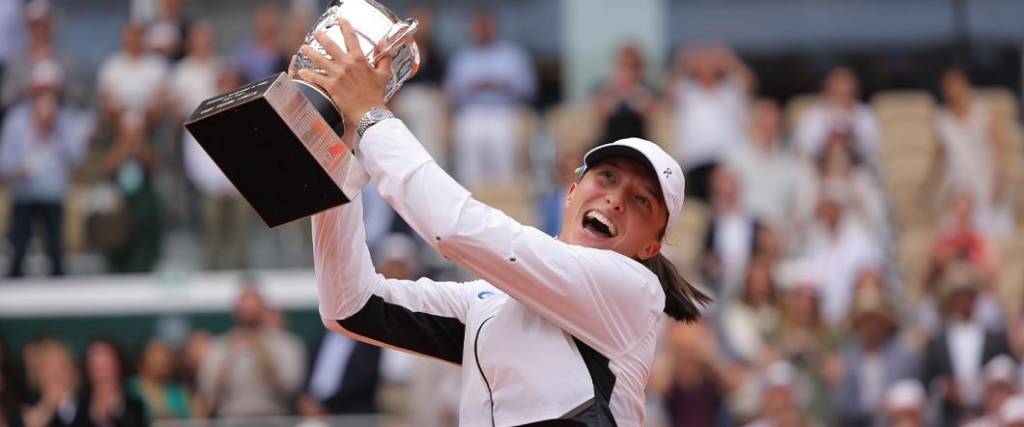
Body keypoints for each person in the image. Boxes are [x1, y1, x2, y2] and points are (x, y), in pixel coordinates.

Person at [297, 21, 708, 426]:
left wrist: (369, 113)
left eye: (641, 201)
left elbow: (453, 227)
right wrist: (336, 149)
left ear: (649, 248)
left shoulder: (632, 289)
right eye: (608, 177)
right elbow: (351, 306)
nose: (616, 200)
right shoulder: (488, 301)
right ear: (571, 192)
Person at [0, 62, 91, 277]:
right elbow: (4, 158)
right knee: (19, 246)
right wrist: (16, 169)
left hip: (54, 193)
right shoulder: (17, 118)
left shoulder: (68, 119)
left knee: (56, 249)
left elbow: (77, 157)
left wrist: (53, 129)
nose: (45, 94)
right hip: (24, 192)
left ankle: (60, 296)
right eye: (41, 89)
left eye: (50, 89)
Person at [443, 9, 536, 189]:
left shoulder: (512, 54)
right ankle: (473, 198)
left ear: (494, 27)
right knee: (469, 162)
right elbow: (450, 93)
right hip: (471, 112)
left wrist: (501, 85)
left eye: (486, 26)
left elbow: (528, 89)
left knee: (504, 159)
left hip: (503, 111)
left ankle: (505, 201)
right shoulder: (462, 58)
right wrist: (474, 87)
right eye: (478, 26)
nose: (482, 30)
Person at [197, 281, 306, 417]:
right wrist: (228, 359)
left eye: (254, 308)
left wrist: (262, 352)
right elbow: (207, 390)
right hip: (231, 419)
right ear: (235, 311)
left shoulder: (286, 344)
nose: (249, 313)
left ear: (263, 309)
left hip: (274, 418)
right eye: (244, 308)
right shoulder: (219, 347)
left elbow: (291, 388)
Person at [81, 339, 148, 427]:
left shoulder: (135, 406)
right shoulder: (77, 407)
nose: (103, 376)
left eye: (107, 367)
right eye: (97, 368)